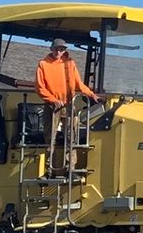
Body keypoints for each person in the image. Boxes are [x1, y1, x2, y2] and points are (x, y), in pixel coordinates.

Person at [34, 37, 99, 170]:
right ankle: (50, 168)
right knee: (50, 137)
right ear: (51, 49)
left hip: (69, 104)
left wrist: (92, 95)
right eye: (57, 49)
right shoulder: (43, 64)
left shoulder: (70, 63)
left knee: (72, 137)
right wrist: (53, 100)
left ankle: (71, 168)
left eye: (62, 49)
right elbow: (40, 87)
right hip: (52, 106)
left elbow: (79, 84)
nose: (59, 52)